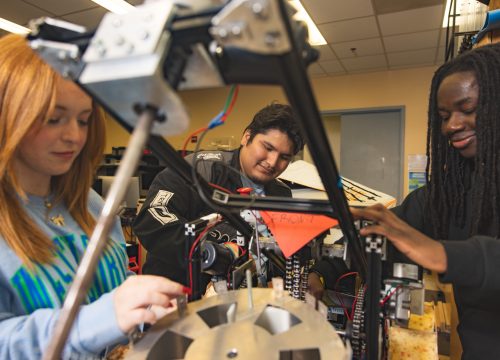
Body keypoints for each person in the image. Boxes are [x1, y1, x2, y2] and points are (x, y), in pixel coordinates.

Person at [0, 34, 186, 359]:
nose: (74, 135)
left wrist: (140, 309)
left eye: (83, 120)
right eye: (54, 119)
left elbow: (114, 284)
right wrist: (94, 323)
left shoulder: (89, 203)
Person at [351, 43, 500, 359]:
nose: (452, 126)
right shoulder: (451, 192)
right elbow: (392, 230)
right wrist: (340, 255)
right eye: (444, 116)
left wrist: (444, 254)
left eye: (468, 109)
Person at [133, 103, 304, 290]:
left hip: (245, 303)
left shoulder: (281, 194)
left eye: (284, 157)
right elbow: (151, 219)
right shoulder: (199, 171)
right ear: (247, 137)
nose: (272, 162)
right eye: (267, 147)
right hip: (176, 298)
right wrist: (211, 254)